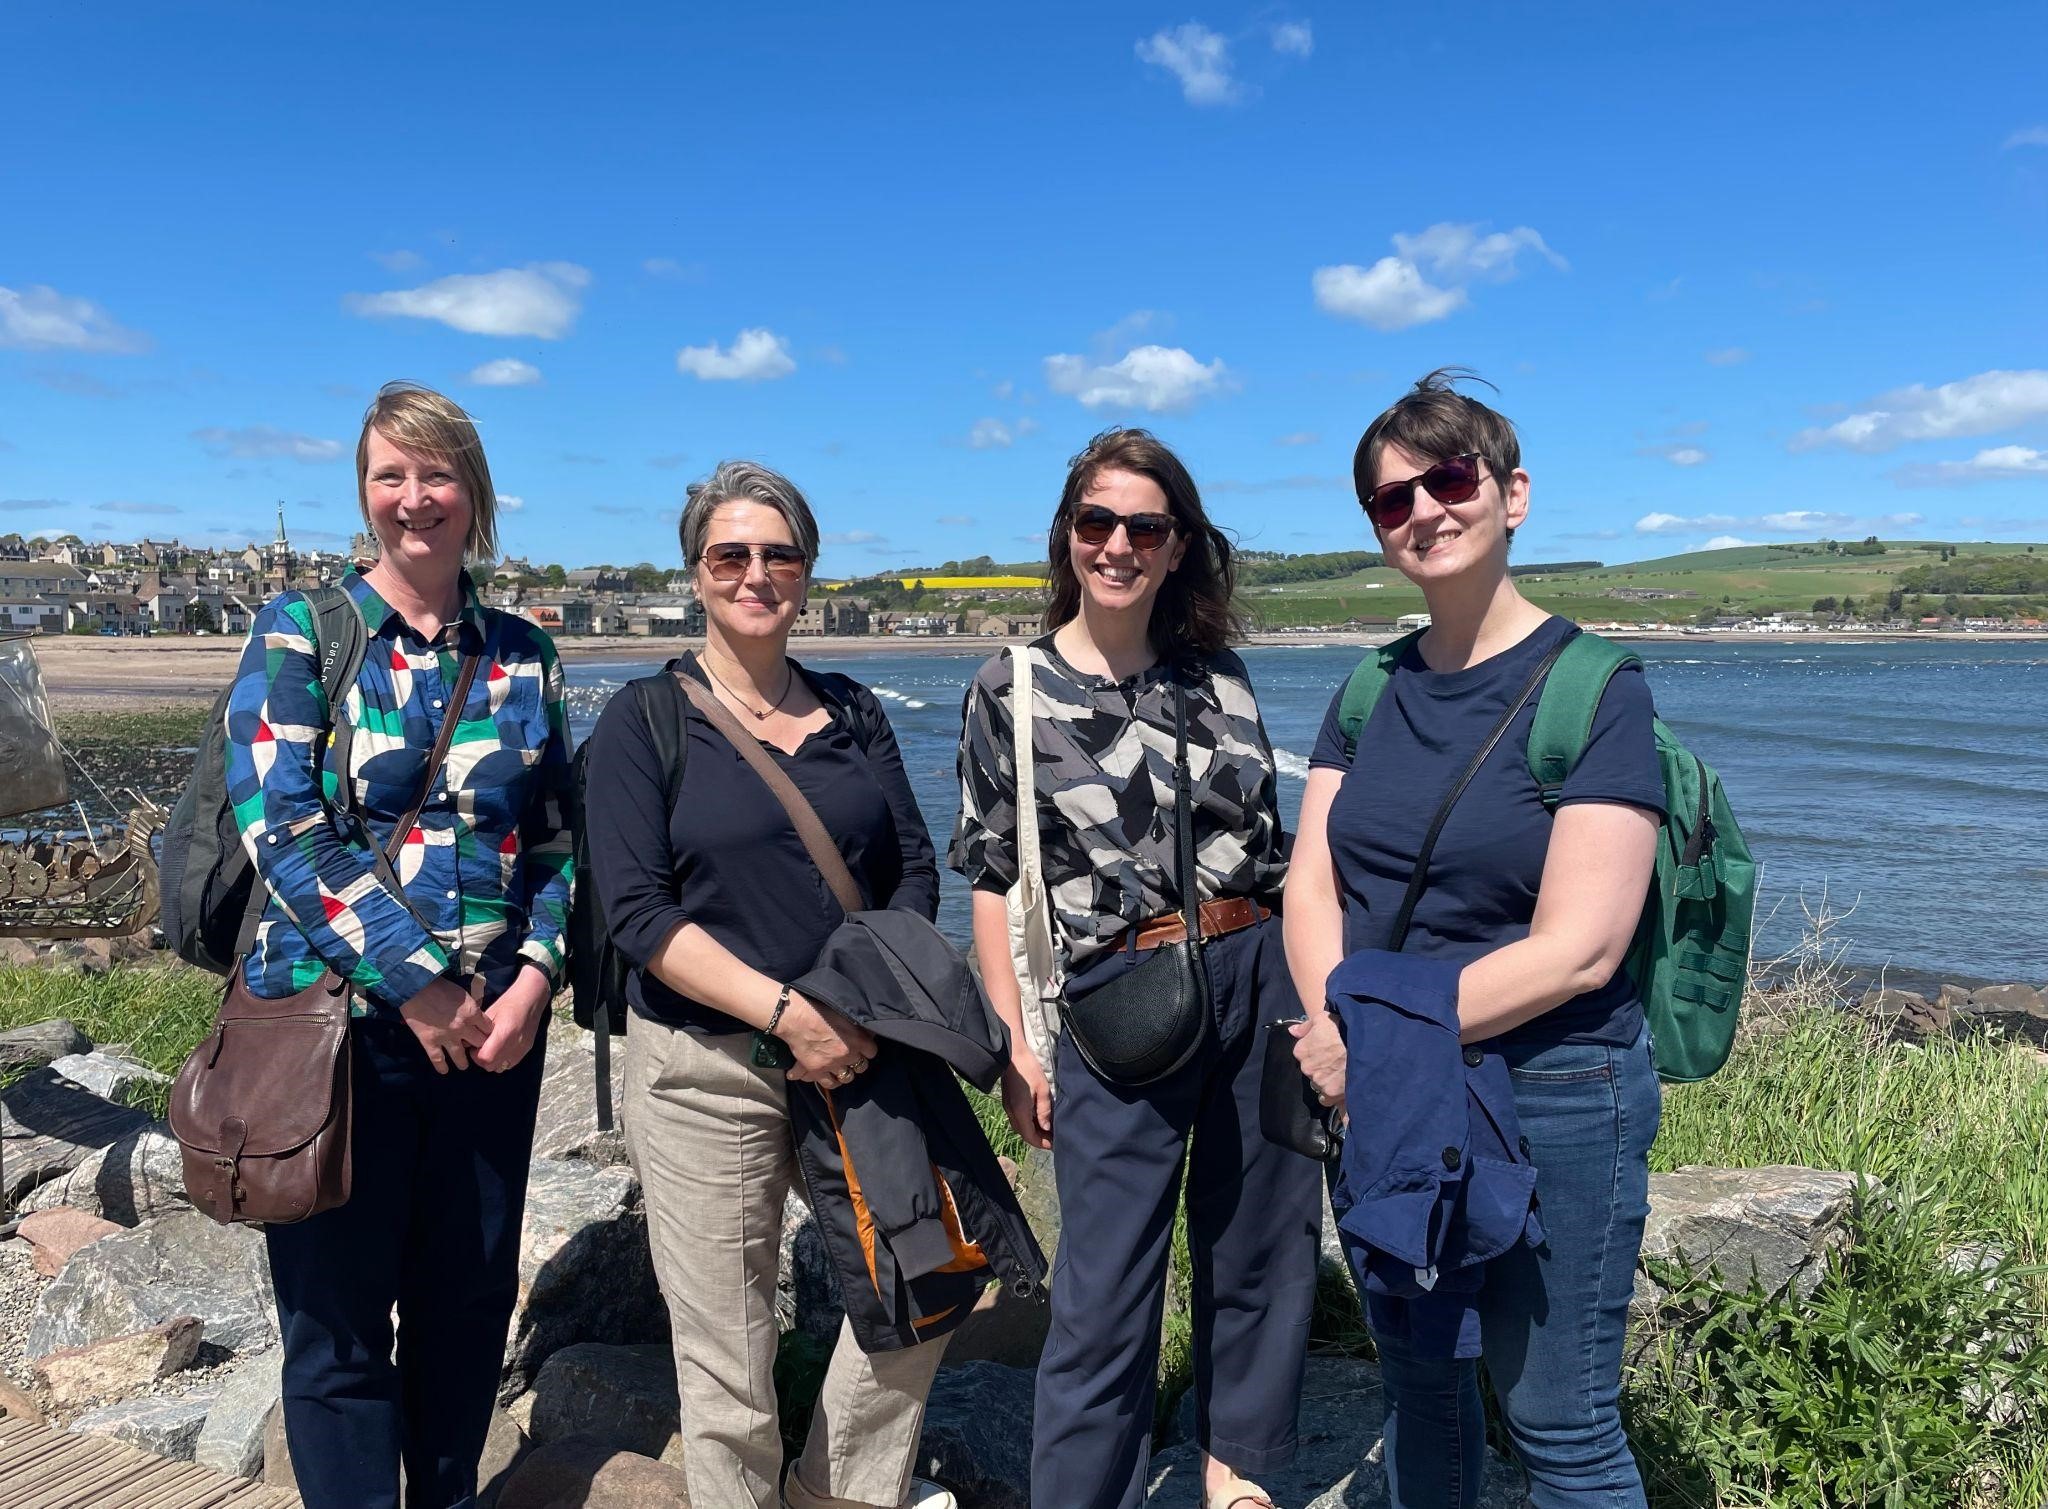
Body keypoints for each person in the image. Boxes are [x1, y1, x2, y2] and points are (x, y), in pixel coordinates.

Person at [1285, 370, 1666, 1508]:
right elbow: (1312, 879)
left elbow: (1581, 950)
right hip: (1381, 1086)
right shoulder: (1368, 686)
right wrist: (1334, 1032)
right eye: (1389, 500)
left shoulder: (1594, 688)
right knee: (1420, 1394)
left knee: (1558, 1423)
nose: (1422, 512)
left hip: (1553, 1084)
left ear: (1511, 493)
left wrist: (1373, 1043)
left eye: (1447, 479)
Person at [951, 428, 1320, 1509]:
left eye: (1143, 527)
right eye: (1096, 522)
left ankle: (1235, 1472)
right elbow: (988, 875)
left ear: (1175, 547)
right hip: (1115, 992)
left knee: (1261, 1243)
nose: (1117, 544)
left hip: (1260, 968)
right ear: (1067, 538)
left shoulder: (1219, 674)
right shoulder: (1009, 685)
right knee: (1105, 1292)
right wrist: (1016, 1039)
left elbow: (1273, 837)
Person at [581, 460, 959, 1509]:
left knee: (922, 1289)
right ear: (695, 575)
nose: (756, 573)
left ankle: (828, 1497)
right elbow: (638, 915)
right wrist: (790, 1015)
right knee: (727, 1370)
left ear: (808, 570)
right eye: (730, 555)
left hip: (857, 1056)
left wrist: (858, 1002)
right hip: (708, 1071)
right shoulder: (643, 721)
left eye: (778, 552)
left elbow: (913, 870)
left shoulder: (853, 709)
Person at [226, 382, 572, 1509]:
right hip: (335, 1037)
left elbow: (560, 843)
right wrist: (417, 984)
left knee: (464, 1308)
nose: (413, 499)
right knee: (333, 1330)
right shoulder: (304, 630)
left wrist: (535, 978)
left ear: (473, 494)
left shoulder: (523, 654)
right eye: (390, 475)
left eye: (436, 475)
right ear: (363, 492)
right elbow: (279, 827)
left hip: (489, 1041)